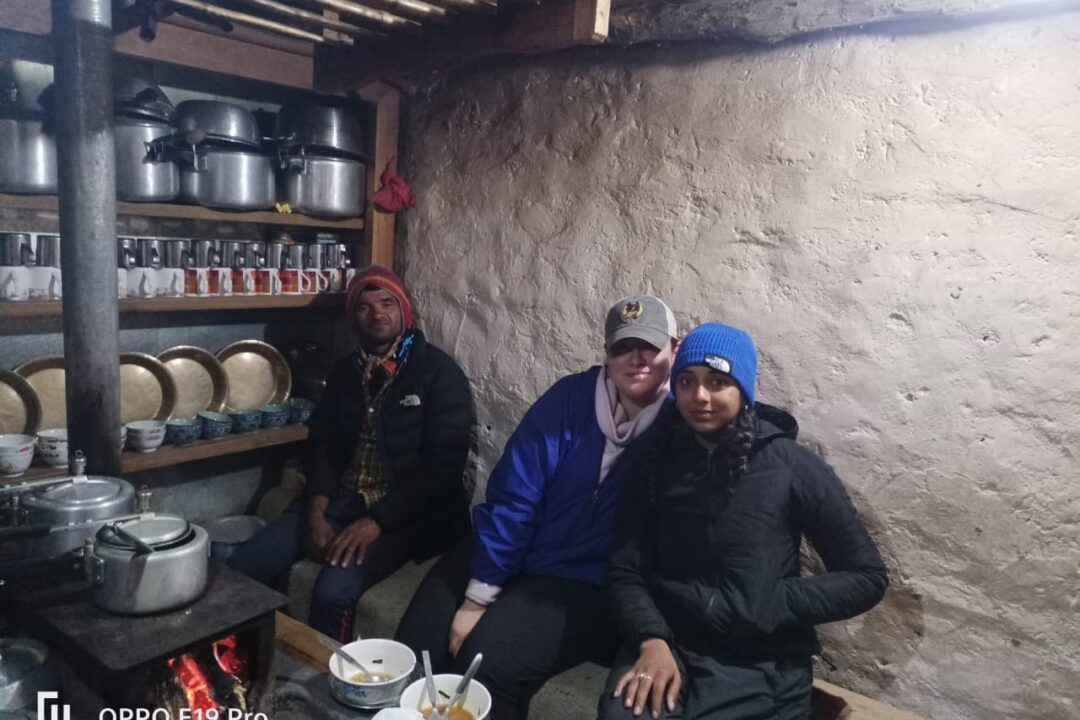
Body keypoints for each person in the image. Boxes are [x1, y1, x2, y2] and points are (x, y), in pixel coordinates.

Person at [395, 295, 680, 720]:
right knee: (413, 653)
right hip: (517, 548)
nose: (636, 359)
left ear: (675, 349)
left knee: (484, 663)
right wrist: (480, 594)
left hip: (583, 581)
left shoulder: (679, 424)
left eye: (649, 347)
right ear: (606, 354)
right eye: (622, 347)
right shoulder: (571, 398)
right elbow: (516, 494)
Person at [598, 322, 889, 720]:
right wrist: (651, 640)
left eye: (718, 382)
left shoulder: (790, 466)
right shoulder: (654, 462)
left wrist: (770, 601)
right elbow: (625, 570)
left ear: (743, 389)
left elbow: (866, 576)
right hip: (670, 643)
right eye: (687, 381)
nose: (700, 396)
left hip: (759, 658)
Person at [228, 265, 474, 642]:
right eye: (365, 306)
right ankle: (251, 665)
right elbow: (323, 445)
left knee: (333, 592)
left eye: (387, 303)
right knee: (243, 566)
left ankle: (328, 685)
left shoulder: (437, 373)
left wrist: (377, 521)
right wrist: (316, 508)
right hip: (342, 500)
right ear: (352, 317)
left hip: (406, 514)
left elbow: (443, 468)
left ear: (404, 311)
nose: (377, 314)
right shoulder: (346, 372)